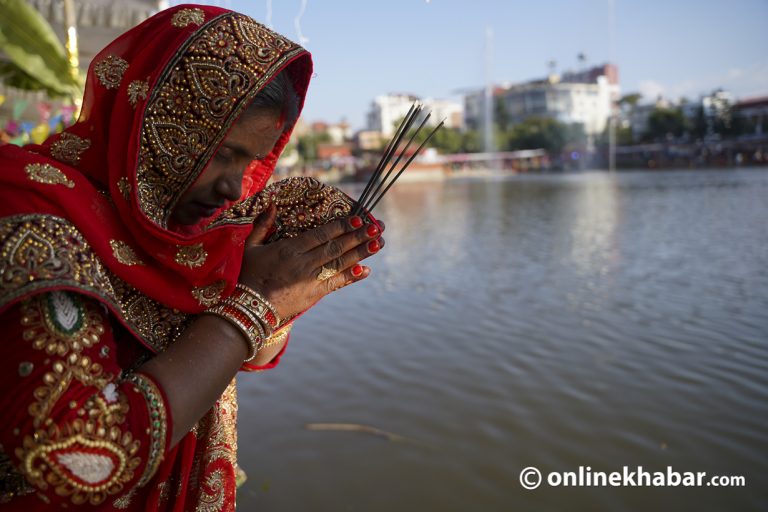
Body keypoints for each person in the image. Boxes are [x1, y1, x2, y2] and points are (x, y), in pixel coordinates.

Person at [0, 5, 384, 510]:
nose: (233, 185)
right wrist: (253, 305)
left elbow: (250, 356)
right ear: (163, 124)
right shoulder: (35, 212)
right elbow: (84, 455)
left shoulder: (186, 226)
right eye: (221, 152)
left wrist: (292, 290)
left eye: (250, 160)